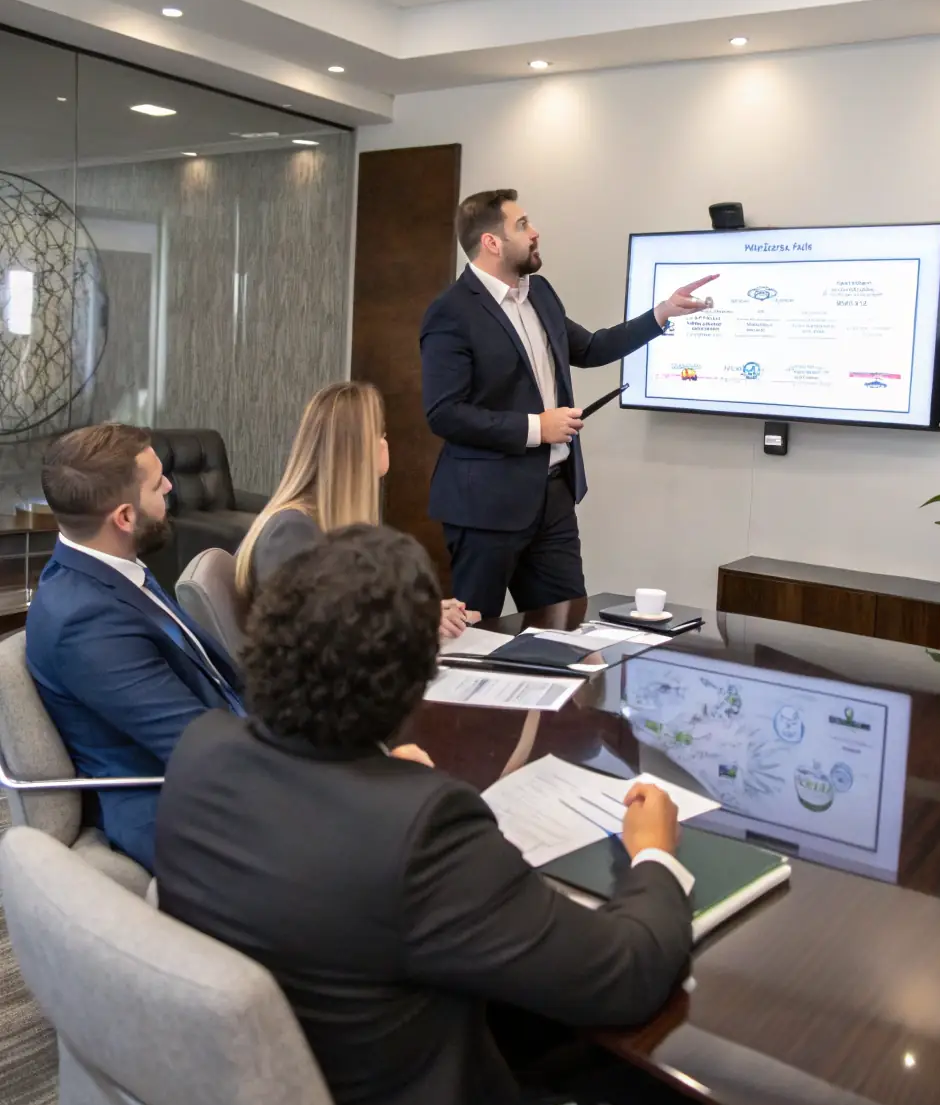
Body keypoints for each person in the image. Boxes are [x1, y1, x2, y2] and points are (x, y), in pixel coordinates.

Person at [156, 526, 713, 1105]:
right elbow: (628, 972)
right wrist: (653, 853)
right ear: (413, 681)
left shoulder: (201, 751)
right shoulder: (419, 828)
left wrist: (377, 771)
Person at [420, 188, 717, 618]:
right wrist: (537, 428)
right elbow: (444, 413)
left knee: (566, 630)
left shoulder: (539, 294)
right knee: (475, 634)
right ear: (491, 242)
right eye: (522, 225)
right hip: (485, 507)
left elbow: (592, 348)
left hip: (553, 498)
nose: (535, 232)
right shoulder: (450, 312)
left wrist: (661, 313)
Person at [25, 423, 244, 871]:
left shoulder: (112, 567)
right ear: (124, 517)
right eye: (157, 482)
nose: (170, 487)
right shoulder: (86, 623)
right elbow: (200, 749)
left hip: (224, 757)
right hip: (182, 812)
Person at [235, 380, 475, 639]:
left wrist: (419, 612)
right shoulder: (291, 531)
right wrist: (415, 624)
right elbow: (311, 641)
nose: (385, 443)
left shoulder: (330, 524)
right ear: (354, 449)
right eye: (380, 434)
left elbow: (348, 612)